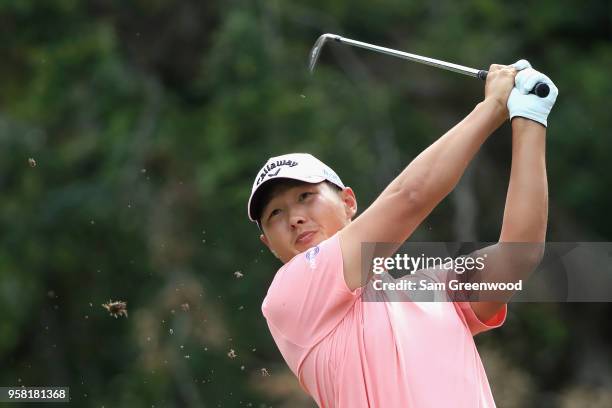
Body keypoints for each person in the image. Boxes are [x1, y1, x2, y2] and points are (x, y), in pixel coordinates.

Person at [246, 60, 558, 407]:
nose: (295, 218)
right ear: (267, 243)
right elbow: (410, 197)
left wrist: (530, 116)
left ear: (349, 201)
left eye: (306, 197)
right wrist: (493, 107)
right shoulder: (291, 292)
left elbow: (520, 254)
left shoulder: (432, 291)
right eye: (275, 214)